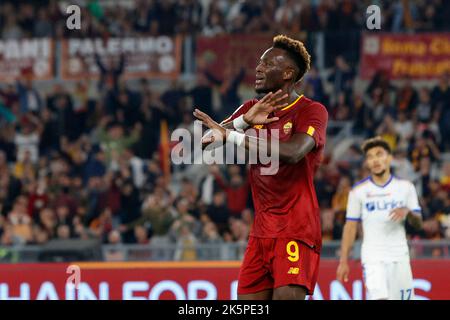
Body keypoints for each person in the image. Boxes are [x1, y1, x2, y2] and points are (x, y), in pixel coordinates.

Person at [193, 35, 328, 300]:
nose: (258, 68)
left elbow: (293, 152)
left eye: (267, 64)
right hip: (260, 233)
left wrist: (233, 135)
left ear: (288, 73)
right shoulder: (251, 109)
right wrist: (242, 121)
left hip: (295, 230)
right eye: (259, 63)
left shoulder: (311, 111)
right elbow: (200, 144)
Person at [336, 137, 423, 300]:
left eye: (379, 154)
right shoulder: (358, 191)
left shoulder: (406, 188)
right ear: (367, 163)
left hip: (400, 256)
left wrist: (408, 212)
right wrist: (343, 261)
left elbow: (419, 224)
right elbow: (350, 227)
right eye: (370, 157)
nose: (375, 160)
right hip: (373, 257)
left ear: (390, 158)